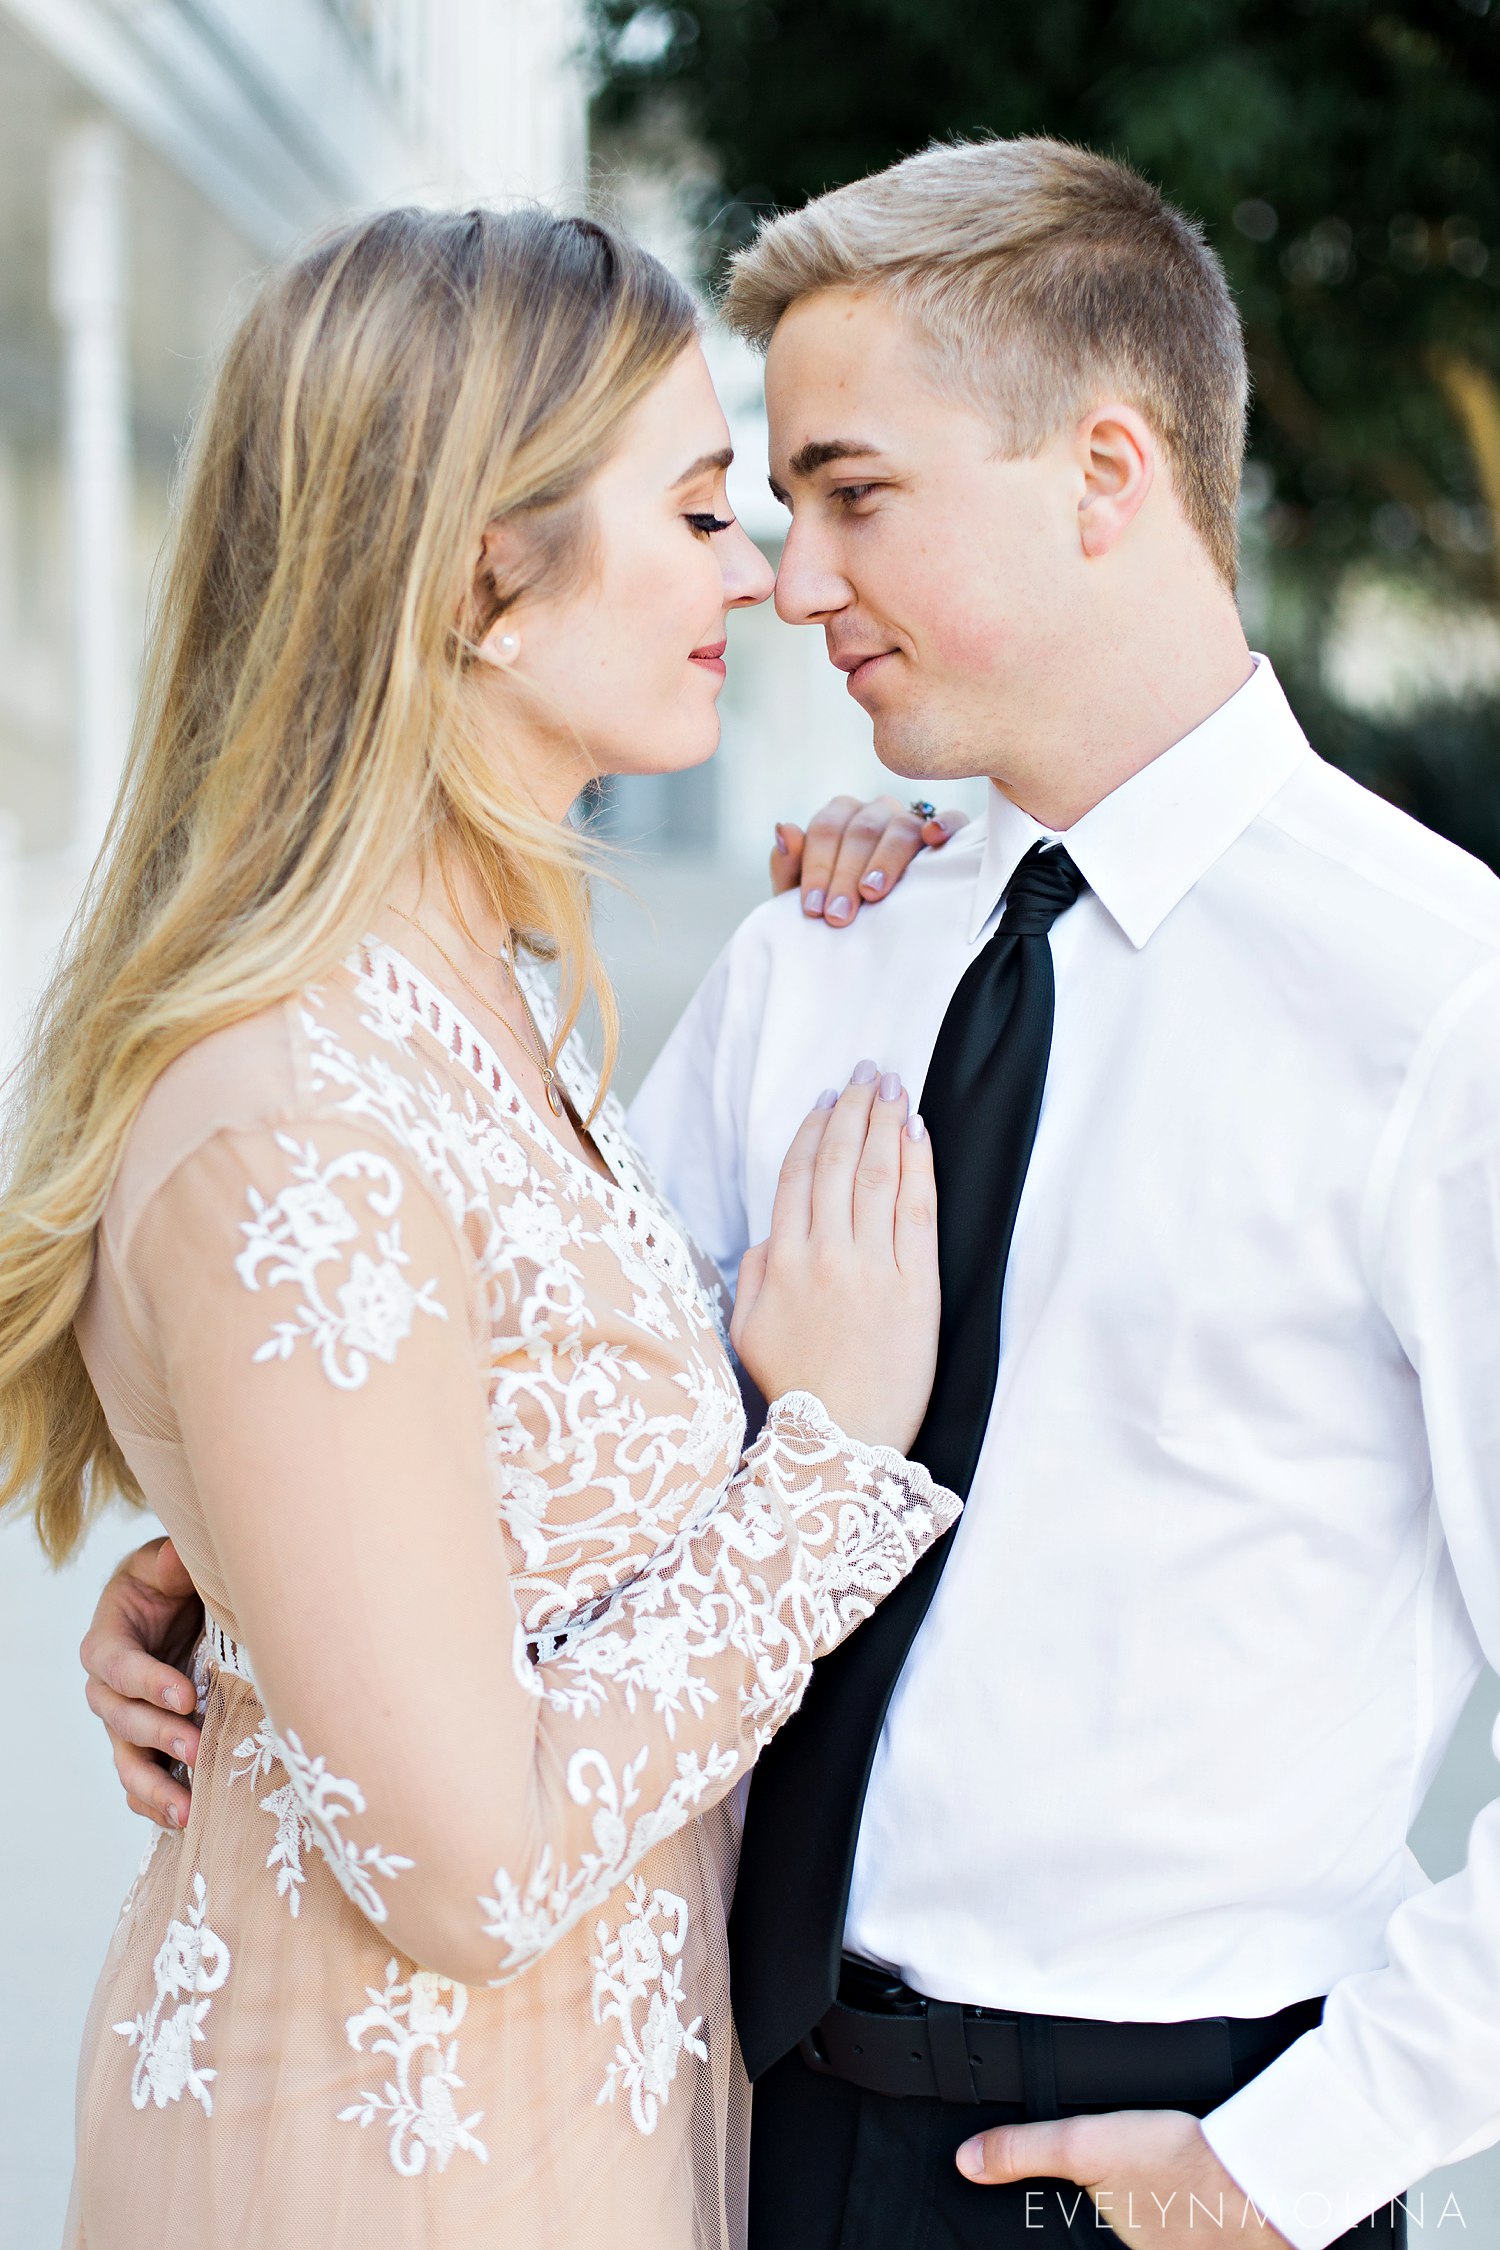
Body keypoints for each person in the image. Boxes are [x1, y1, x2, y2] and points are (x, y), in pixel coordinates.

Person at [85, 135, 1500, 2250]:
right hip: (744, 2127)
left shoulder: (1437, 1001)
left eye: (851, 495)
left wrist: (1301, 2162)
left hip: (1151, 2156)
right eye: (753, 510)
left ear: (1106, 475)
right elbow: (540, 1410)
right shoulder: (827, 942)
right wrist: (253, 1579)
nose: (791, 579)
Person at [0, 205, 967, 2250]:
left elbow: (501, 1502)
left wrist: (919, 889)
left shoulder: (492, 999)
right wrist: (836, 1468)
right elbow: (476, 1871)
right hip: (385, 2174)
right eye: (701, 512)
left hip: (579, 2142)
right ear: (475, 579)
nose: (765, 579)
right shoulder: (288, 1110)